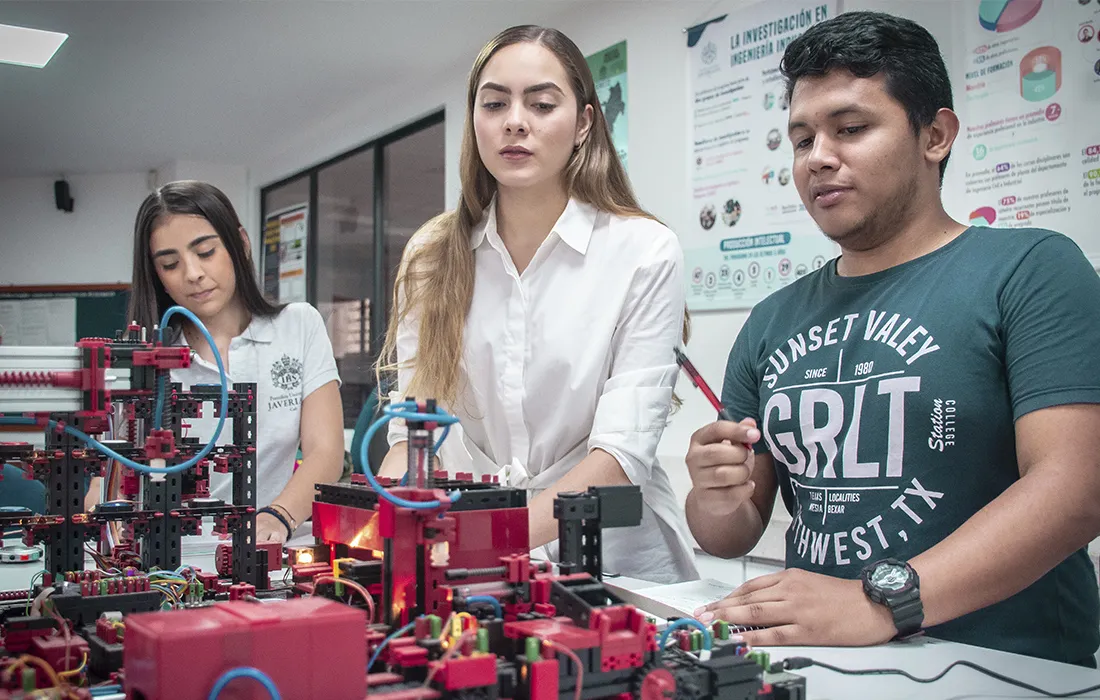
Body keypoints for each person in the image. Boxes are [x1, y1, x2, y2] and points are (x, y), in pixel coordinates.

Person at [684, 11, 1100, 665]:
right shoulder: (771, 319)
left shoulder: (1032, 268)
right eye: (801, 139)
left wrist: (882, 603)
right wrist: (714, 493)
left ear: (934, 134)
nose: (819, 157)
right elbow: (729, 533)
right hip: (818, 661)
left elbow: (1077, 486)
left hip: (1004, 666)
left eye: (850, 129)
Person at [377, 25, 697, 584]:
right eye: (494, 103)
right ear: (474, 120)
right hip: (468, 559)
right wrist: (389, 527)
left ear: (584, 124)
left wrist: (488, 539)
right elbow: (412, 435)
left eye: (542, 103)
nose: (514, 121)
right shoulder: (432, 257)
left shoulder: (642, 250)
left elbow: (620, 457)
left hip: (616, 564)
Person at [86, 181, 344, 544]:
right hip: (168, 561)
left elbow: (326, 451)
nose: (192, 273)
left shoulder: (298, 326)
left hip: (270, 549)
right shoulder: (144, 358)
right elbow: (110, 475)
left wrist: (276, 518)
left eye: (205, 252)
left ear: (240, 244)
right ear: (156, 275)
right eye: (171, 264)